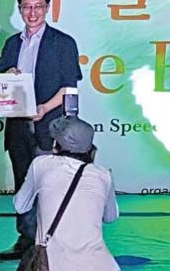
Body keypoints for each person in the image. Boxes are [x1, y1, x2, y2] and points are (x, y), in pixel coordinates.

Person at [0, 0, 82, 260]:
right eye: (26, 7)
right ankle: (26, 239)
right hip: (18, 126)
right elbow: (0, 85)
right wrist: (6, 77)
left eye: (38, 6)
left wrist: (45, 108)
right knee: (23, 183)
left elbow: (69, 87)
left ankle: (51, 242)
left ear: (47, 8)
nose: (32, 12)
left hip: (51, 126)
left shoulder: (63, 43)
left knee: (51, 185)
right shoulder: (12, 44)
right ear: (19, 8)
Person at [14, 116, 119, 271]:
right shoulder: (104, 175)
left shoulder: (41, 164)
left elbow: (20, 206)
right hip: (101, 265)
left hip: (53, 264)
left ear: (55, 145)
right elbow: (111, 217)